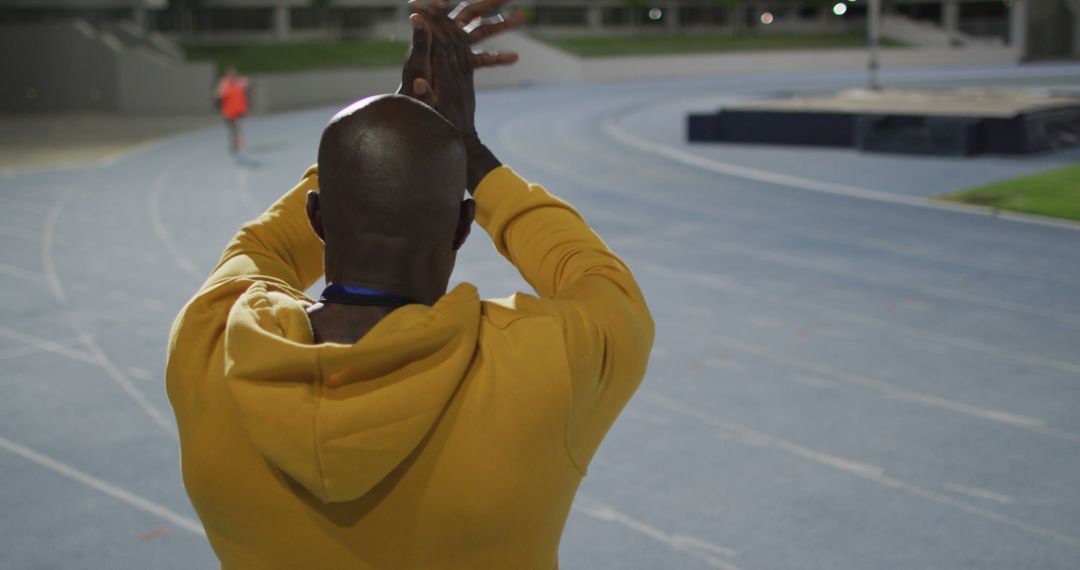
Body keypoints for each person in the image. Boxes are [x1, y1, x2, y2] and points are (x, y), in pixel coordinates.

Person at [165, 1, 653, 567]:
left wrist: (388, 122)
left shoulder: (211, 341)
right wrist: (469, 153)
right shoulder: (543, 364)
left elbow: (261, 247)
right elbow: (602, 284)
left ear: (318, 217)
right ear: (464, 227)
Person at [215, 66, 250, 154]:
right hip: (228, 111)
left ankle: (237, 142)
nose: (232, 76)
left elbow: (247, 94)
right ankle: (234, 142)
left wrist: (247, 105)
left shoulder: (241, 82)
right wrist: (219, 108)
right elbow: (218, 97)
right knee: (231, 129)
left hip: (239, 110)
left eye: (233, 74)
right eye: (230, 74)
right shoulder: (224, 84)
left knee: (237, 127)